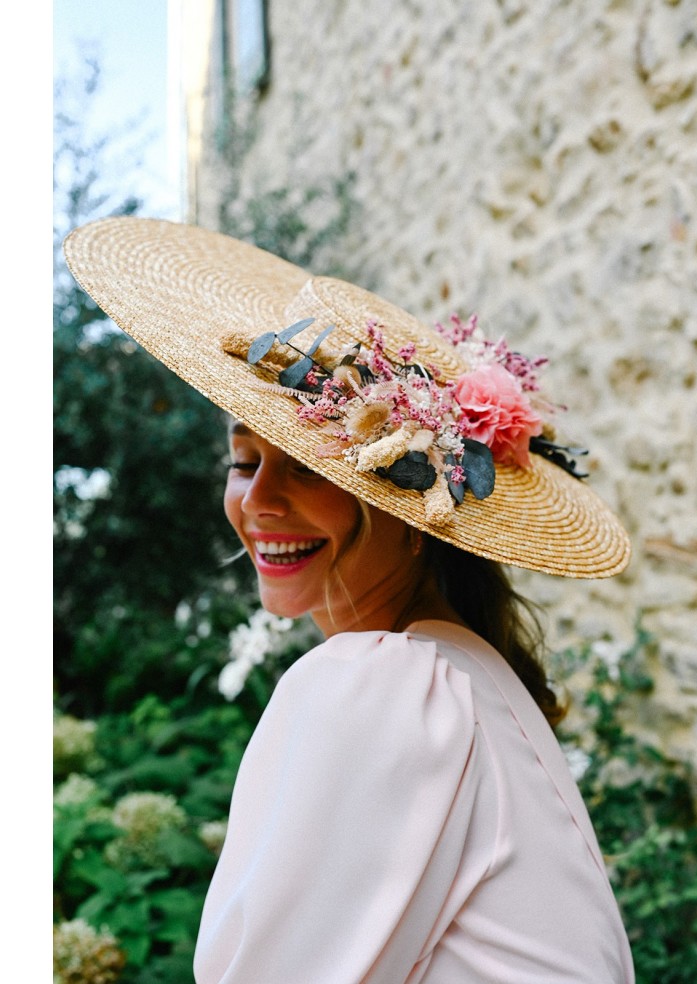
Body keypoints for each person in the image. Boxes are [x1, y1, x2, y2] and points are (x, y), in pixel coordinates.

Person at [64, 216, 635, 983]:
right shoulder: (461, 668)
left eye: (307, 467)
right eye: (244, 458)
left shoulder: (385, 684)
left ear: (414, 512)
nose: (259, 501)